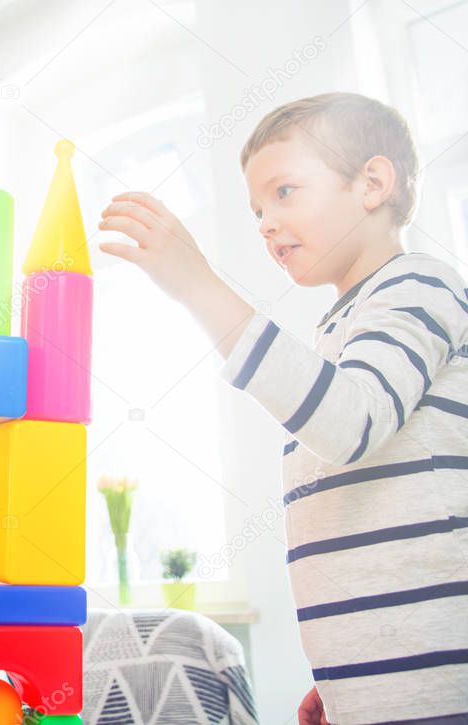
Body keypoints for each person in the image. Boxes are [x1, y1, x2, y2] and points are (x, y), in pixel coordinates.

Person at [98, 92, 468, 724]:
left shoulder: (421, 284)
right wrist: (342, 674)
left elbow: (350, 424)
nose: (266, 222)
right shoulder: (338, 332)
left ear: (372, 183)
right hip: (377, 685)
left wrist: (197, 284)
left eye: (285, 192)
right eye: (257, 210)